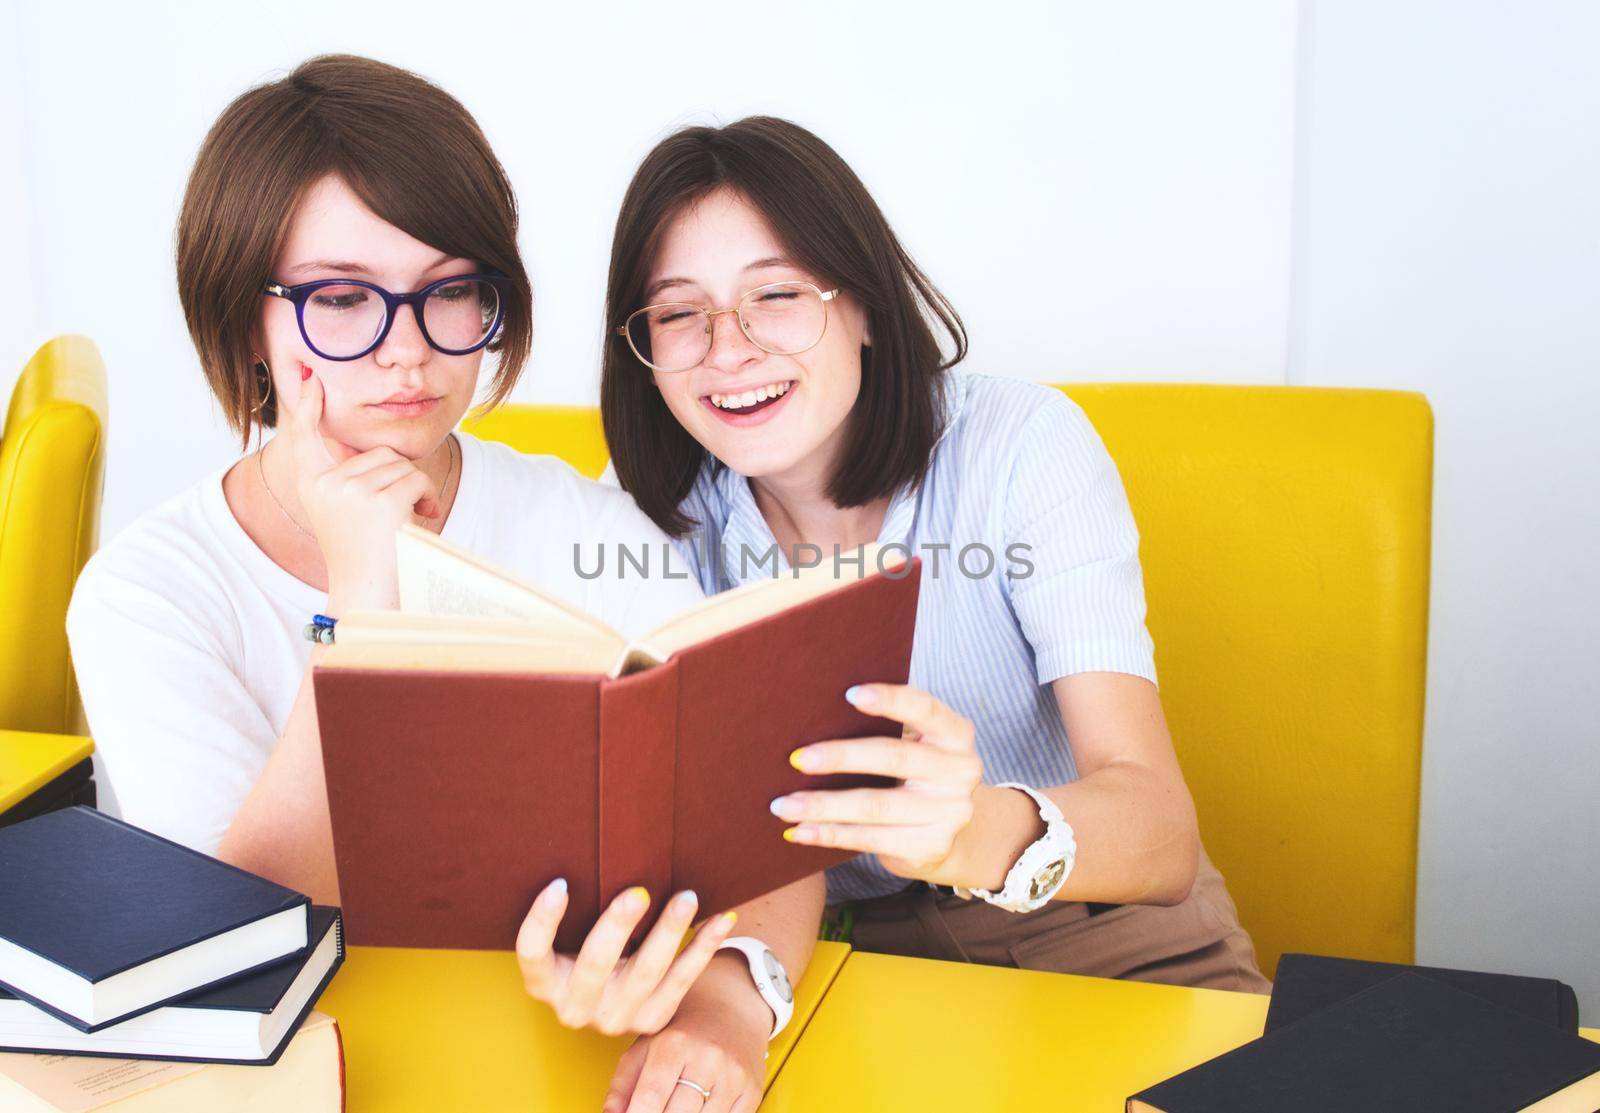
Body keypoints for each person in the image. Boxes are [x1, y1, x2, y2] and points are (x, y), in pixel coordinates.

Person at [66, 57, 804, 1113]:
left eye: (450, 292)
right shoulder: (147, 592)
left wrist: (726, 1005)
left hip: (559, 1064)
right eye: (342, 300)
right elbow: (237, 945)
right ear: (245, 323)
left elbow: (769, 826)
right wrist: (365, 606)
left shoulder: (587, 526)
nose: (410, 352)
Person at [600, 117, 1272, 1012]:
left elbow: (1160, 830)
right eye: (682, 313)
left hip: (1094, 929)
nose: (729, 349)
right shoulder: (646, 516)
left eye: (777, 296)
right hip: (831, 968)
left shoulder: (1022, 446)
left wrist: (971, 829)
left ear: (868, 307)